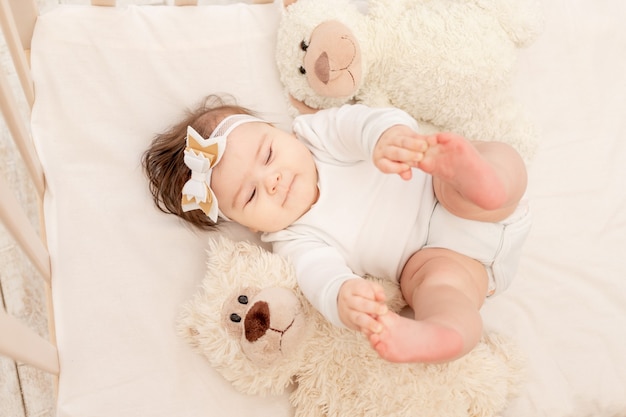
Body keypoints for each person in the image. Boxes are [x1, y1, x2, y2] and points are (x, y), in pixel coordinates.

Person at [143, 95, 531, 364]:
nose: (272, 179)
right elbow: (321, 279)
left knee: (490, 165)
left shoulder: (316, 136)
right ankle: (439, 335)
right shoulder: (293, 239)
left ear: (281, 132)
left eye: (268, 154)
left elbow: (362, 123)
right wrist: (345, 298)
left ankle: (481, 176)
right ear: (246, 225)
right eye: (250, 194)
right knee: (434, 289)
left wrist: (386, 138)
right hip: (439, 260)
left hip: (445, 190)